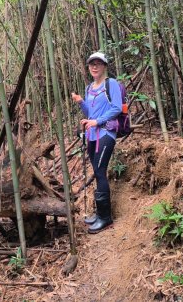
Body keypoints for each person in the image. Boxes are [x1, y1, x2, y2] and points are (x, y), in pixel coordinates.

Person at [71, 52, 122, 233]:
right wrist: (81, 102)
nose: (94, 66)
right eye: (92, 64)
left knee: (100, 172)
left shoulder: (111, 84)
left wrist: (97, 121)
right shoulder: (89, 87)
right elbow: (90, 114)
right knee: (98, 172)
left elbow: (116, 107)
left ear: (104, 66)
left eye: (98, 63)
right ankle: (100, 214)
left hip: (106, 133)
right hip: (92, 135)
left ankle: (106, 218)